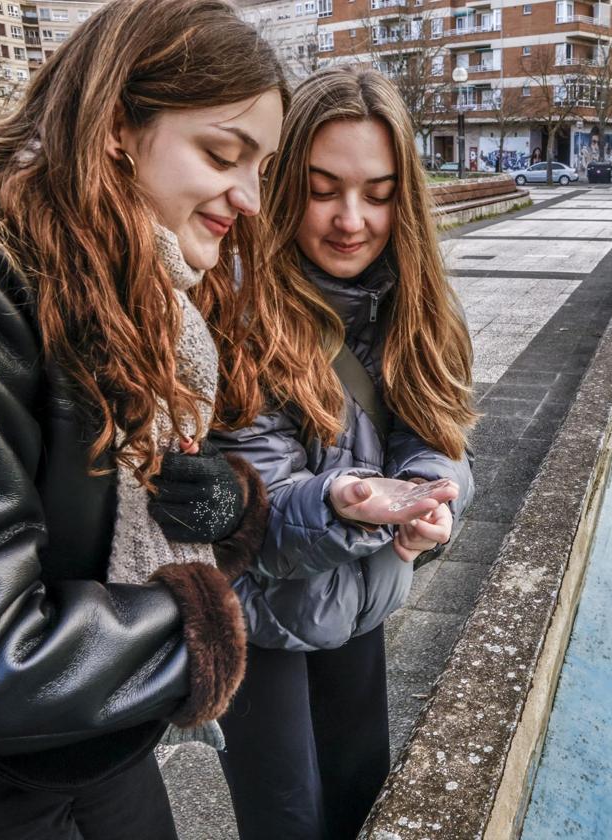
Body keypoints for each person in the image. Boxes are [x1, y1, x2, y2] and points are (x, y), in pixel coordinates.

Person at [0, 1, 292, 837]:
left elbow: (78, 493)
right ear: (114, 127)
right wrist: (202, 631)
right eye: (223, 153)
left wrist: (210, 502)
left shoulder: (115, 280)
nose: (250, 198)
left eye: (263, 166)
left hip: (90, 750)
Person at [214, 66, 477, 840]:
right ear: (284, 183)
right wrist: (344, 501)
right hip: (258, 619)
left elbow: (440, 429)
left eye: (378, 191)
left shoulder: (419, 300)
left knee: (364, 795)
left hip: (360, 601)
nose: (350, 219)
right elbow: (251, 497)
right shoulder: (233, 308)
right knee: (287, 819)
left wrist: (432, 491)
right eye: (324, 188)